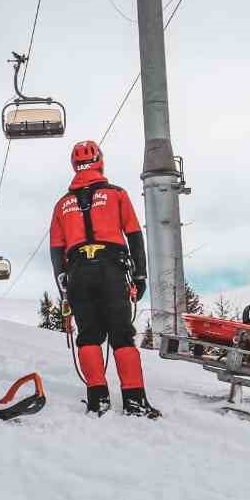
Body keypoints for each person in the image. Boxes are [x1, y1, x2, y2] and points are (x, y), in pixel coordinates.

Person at [49, 139, 159, 418]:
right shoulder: (117, 194)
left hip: (78, 272)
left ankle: (98, 400)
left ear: (75, 166)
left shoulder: (62, 205)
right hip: (112, 269)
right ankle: (134, 401)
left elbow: (56, 250)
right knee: (121, 334)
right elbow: (134, 236)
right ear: (100, 162)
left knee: (88, 335)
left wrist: (64, 288)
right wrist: (140, 275)